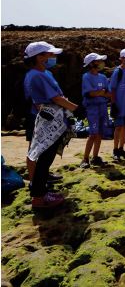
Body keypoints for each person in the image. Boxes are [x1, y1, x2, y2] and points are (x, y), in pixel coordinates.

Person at [23, 41, 86, 208]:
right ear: (39, 57)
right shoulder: (38, 75)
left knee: (44, 158)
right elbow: (55, 98)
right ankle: (39, 198)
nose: (53, 57)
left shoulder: (40, 73)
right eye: (49, 54)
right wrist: (76, 109)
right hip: (47, 121)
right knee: (43, 158)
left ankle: (41, 192)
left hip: (50, 119)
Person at [80, 53, 112, 168]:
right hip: (92, 108)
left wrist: (103, 93)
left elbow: (108, 93)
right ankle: (85, 159)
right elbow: (90, 93)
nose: (100, 63)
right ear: (92, 63)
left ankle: (95, 157)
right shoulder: (86, 77)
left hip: (103, 107)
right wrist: (101, 92)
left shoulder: (103, 77)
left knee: (100, 133)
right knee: (93, 133)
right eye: (98, 60)